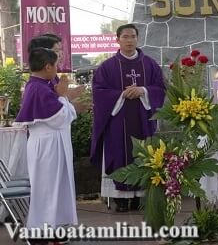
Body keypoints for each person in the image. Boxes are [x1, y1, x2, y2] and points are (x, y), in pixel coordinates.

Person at [90, 24, 166, 212]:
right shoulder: (107, 67)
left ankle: (140, 198)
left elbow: (161, 88)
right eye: (125, 37)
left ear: (137, 39)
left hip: (143, 119)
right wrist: (121, 95)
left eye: (133, 36)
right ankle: (121, 199)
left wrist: (143, 90)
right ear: (117, 39)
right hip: (118, 122)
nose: (129, 40)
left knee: (144, 154)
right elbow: (99, 92)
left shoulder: (149, 64)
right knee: (119, 154)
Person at [13, 48, 78, 231]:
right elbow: (60, 118)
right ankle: (42, 231)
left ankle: (54, 228)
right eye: (56, 65)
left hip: (49, 142)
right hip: (47, 145)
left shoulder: (40, 85)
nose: (57, 69)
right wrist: (64, 96)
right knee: (48, 189)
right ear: (47, 66)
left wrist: (62, 97)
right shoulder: (39, 88)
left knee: (54, 188)